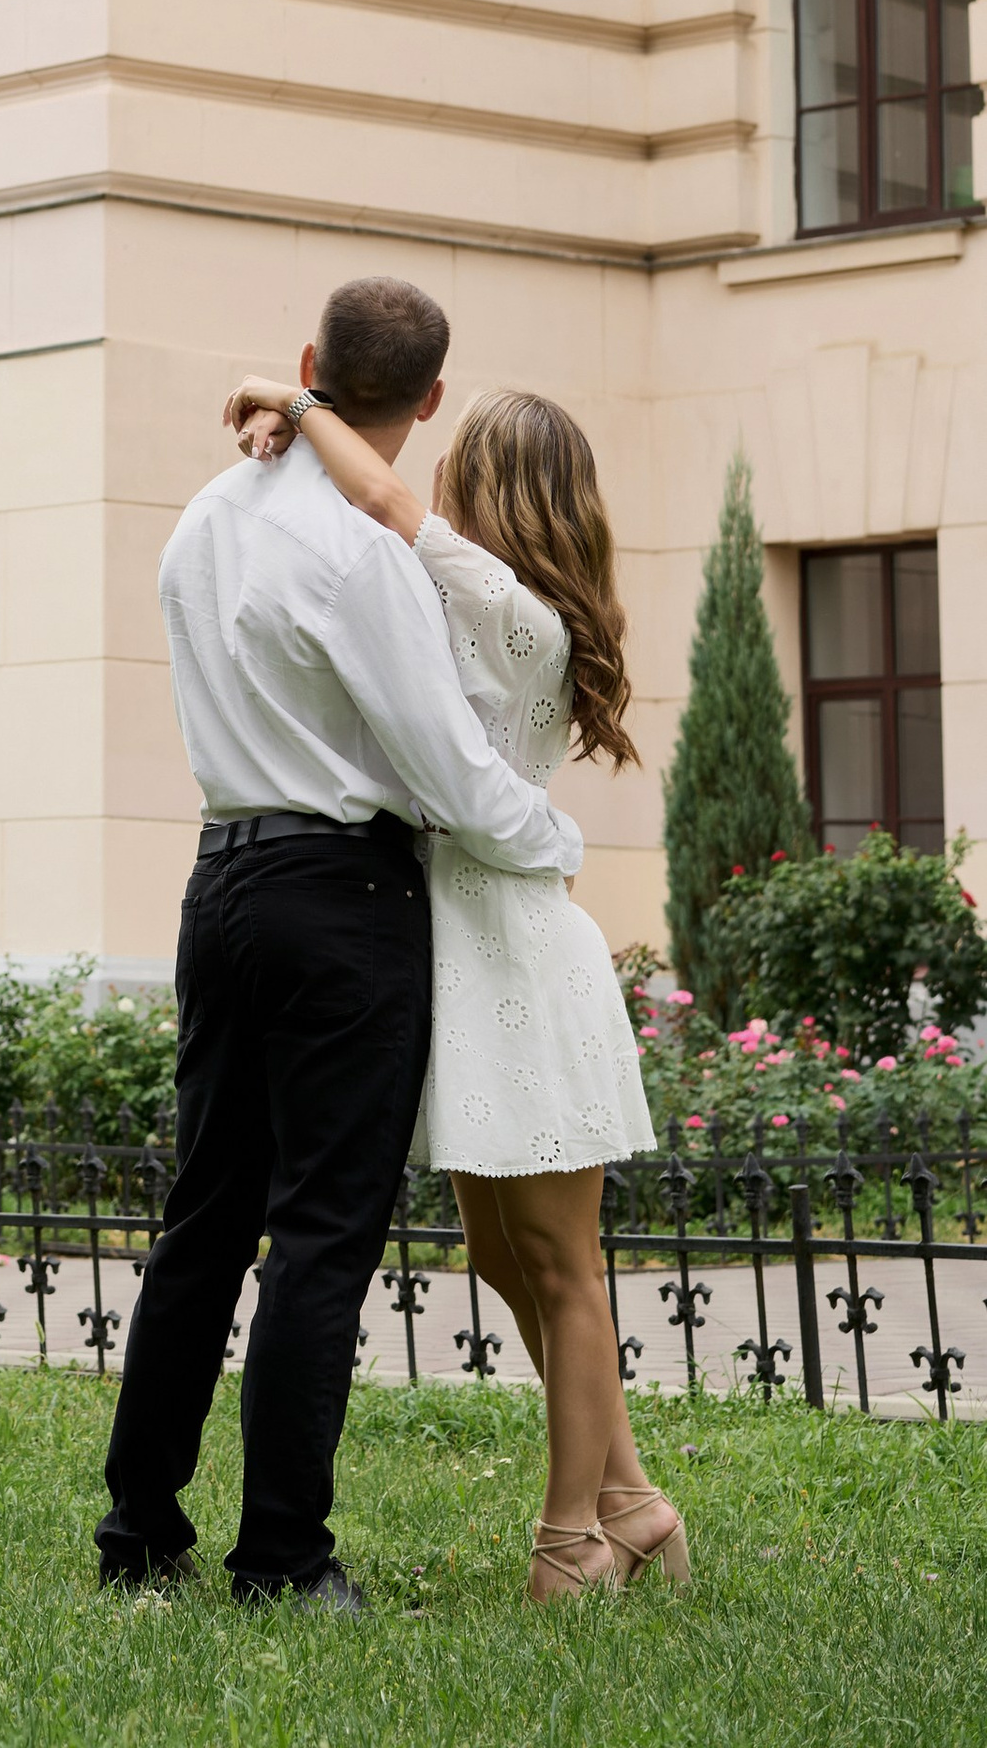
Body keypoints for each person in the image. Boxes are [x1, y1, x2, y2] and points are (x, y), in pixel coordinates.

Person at [98, 278, 583, 1611]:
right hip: (344, 904)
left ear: (312, 367)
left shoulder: (202, 519)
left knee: (203, 1218)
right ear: (427, 401)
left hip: (223, 882)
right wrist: (560, 843)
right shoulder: (369, 557)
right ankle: (284, 1560)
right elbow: (455, 777)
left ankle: (138, 1537)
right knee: (320, 1234)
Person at [221, 364, 688, 1601]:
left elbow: (374, 495)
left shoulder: (504, 600)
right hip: (467, 949)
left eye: (459, 459)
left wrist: (290, 394)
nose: (432, 476)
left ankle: (571, 1541)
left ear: (495, 488)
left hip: (520, 955)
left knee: (561, 1264)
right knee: (500, 1251)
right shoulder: (477, 598)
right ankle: (634, 1504)